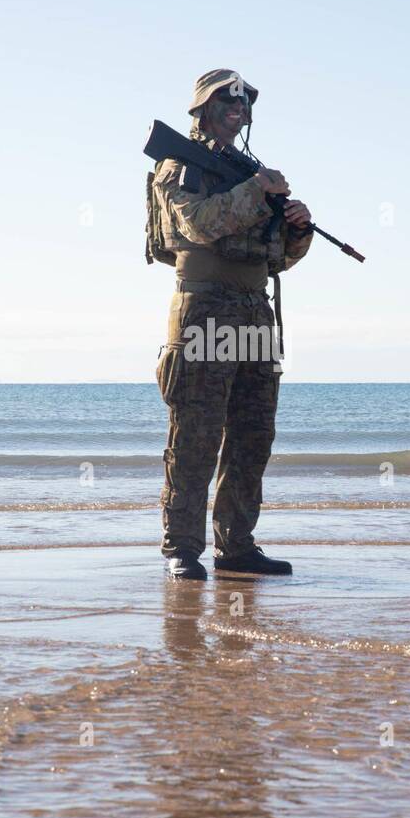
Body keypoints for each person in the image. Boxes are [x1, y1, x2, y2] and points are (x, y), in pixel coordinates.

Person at [152, 68, 313, 580]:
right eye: (228, 102)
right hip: (205, 307)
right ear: (204, 109)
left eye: (244, 104)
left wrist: (296, 229)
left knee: (253, 433)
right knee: (196, 433)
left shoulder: (246, 169)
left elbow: (275, 260)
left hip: (254, 308)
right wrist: (254, 193)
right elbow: (197, 225)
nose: (238, 111)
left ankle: (236, 545)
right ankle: (182, 549)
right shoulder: (182, 165)